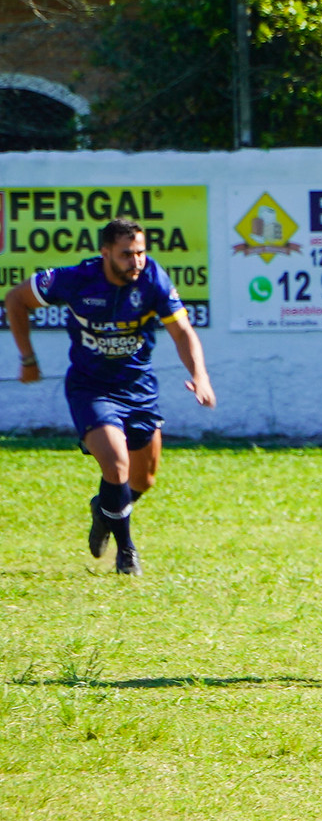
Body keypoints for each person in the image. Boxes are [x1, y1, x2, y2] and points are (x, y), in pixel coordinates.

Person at [4, 217, 216, 576]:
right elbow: (15, 299)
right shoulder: (76, 279)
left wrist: (200, 375)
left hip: (138, 388)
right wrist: (27, 358)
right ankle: (127, 552)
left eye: (140, 253)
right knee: (117, 464)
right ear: (105, 253)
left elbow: (182, 332)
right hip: (91, 388)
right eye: (126, 254)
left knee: (143, 479)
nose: (136, 262)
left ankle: (104, 509)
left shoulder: (153, 279)